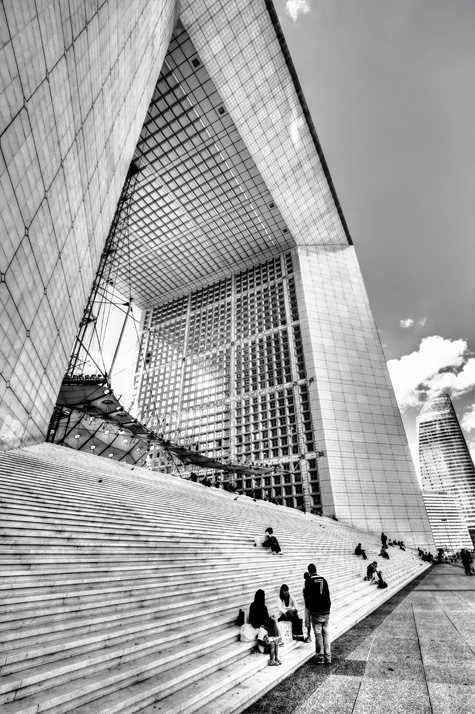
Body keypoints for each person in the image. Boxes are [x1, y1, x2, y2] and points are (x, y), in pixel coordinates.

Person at [303, 563, 332, 664]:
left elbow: (307, 597)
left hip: (316, 612)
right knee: (326, 633)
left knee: (318, 634)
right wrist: (328, 607)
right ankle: (328, 657)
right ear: (316, 570)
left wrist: (310, 609)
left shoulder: (309, 581)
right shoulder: (324, 580)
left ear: (309, 571)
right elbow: (328, 595)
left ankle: (320, 657)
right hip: (326, 610)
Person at [249, 589, 281, 666]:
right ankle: (274, 640)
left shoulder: (264, 607)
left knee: (273, 622)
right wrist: (264, 621)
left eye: (263, 596)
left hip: (264, 624)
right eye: (261, 596)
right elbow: (252, 620)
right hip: (257, 625)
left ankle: (275, 639)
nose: (262, 598)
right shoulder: (253, 605)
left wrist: (269, 619)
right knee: (270, 625)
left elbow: (266, 618)